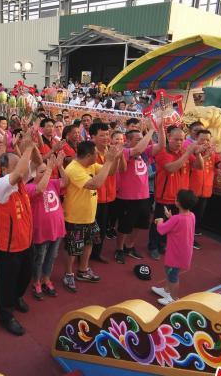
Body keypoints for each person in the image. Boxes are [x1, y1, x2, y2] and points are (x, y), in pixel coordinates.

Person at [0, 140, 41, 336]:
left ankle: (18, 297)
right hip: (8, 247)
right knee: (7, 282)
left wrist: (33, 145)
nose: (23, 165)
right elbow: (20, 172)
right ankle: (5, 314)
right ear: (4, 168)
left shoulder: (20, 183)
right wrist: (27, 146)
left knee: (25, 275)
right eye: (17, 162)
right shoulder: (0, 185)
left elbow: (37, 163)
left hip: (26, 242)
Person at [61, 141, 120, 292]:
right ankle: (68, 274)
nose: (98, 155)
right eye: (96, 153)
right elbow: (95, 184)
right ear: (89, 155)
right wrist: (108, 161)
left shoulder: (90, 165)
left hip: (89, 215)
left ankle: (83, 270)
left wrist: (116, 158)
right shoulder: (74, 168)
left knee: (89, 243)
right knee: (73, 249)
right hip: (75, 217)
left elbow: (111, 172)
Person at [148, 126, 203, 260]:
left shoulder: (184, 151)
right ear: (168, 138)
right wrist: (187, 153)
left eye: (182, 139)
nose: (179, 142)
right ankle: (153, 246)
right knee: (159, 221)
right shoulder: (163, 152)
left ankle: (163, 244)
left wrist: (197, 154)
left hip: (180, 198)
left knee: (173, 224)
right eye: (176, 139)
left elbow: (199, 166)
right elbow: (171, 168)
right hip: (165, 195)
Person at [114, 126, 159, 264]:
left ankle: (130, 246)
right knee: (125, 225)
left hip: (144, 196)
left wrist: (160, 127)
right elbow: (138, 149)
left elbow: (161, 145)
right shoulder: (125, 151)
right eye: (138, 139)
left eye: (142, 138)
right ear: (128, 141)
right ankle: (119, 249)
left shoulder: (145, 153)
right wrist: (151, 130)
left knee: (141, 224)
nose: (142, 141)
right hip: (127, 196)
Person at [27, 153, 67, 301]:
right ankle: (36, 281)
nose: (46, 173)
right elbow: (40, 189)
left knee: (51, 257)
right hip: (41, 232)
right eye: (41, 171)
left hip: (56, 229)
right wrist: (50, 169)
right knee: (40, 258)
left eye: (46, 170)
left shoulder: (53, 183)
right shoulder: (29, 187)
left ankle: (46, 279)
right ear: (33, 173)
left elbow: (66, 181)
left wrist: (60, 166)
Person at [151, 190, 198, 305]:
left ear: (178, 202)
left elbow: (161, 230)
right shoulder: (191, 215)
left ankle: (173, 298)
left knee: (173, 275)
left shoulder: (176, 219)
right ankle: (166, 291)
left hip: (176, 252)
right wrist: (170, 217)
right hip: (183, 251)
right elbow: (178, 226)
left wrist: (160, 221)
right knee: (170, 271)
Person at [88, 122, 122, 263]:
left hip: (108, 197)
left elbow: (112, 172)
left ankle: (96, 254)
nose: (106, 138)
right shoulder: (90, 153)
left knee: (102, 229)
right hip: (94, 198)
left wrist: (116, 158)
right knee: (91, 230)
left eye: (107, 134)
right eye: (102, 135)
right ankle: (85, 256)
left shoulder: (109, 150)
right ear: (93, 137)